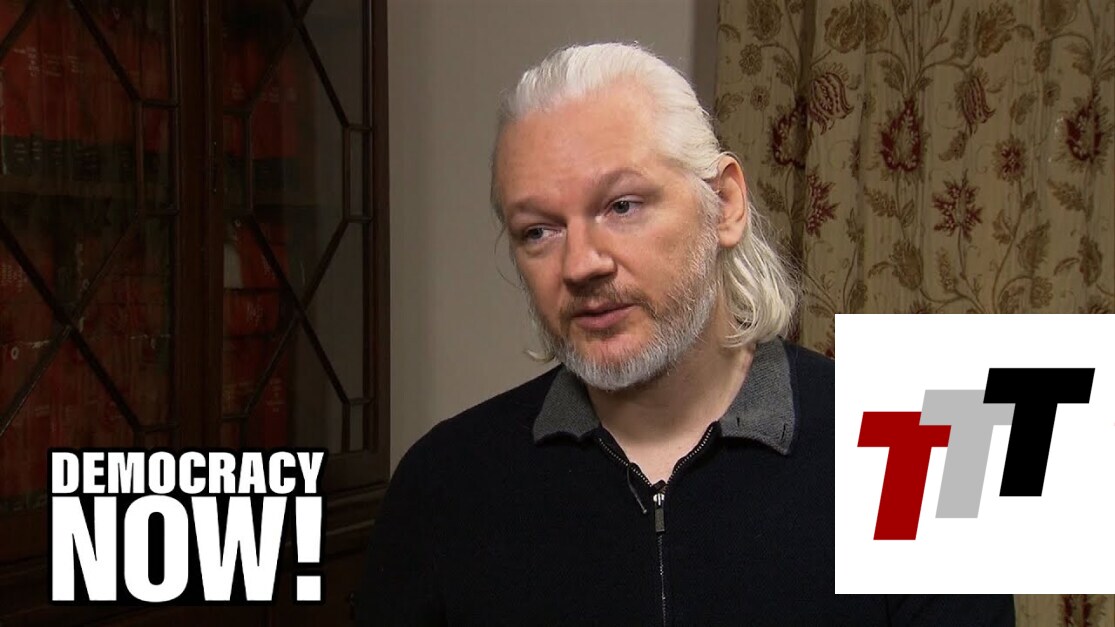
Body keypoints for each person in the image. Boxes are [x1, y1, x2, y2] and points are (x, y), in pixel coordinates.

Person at [356, 42, 1014, 625]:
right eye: (538, 231)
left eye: (622, 205)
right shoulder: (443, 484)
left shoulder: (923, 448)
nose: (581, 264)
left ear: (724, 204)